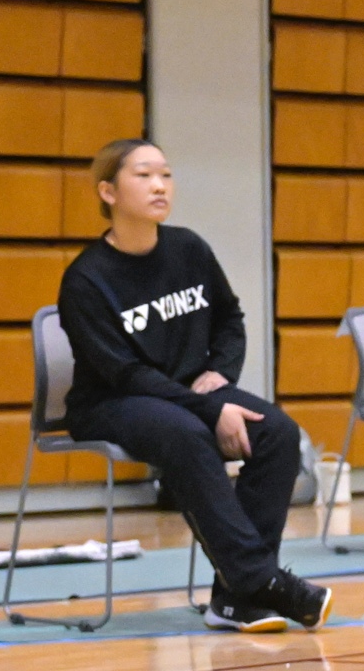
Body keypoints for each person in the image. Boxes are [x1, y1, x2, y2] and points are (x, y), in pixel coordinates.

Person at [57, 138, 330, 632]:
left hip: (186, 393)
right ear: (108, 192)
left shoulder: (188, 248)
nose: (159, 185)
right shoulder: (86, 280)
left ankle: (235, 598)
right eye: (143, 175)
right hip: (114, 401)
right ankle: (261, 581)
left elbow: (229, 317)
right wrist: (209, 410)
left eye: (165, 174)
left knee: (278, 432)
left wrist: (222, 372)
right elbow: (125, 373)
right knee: (186, 434)